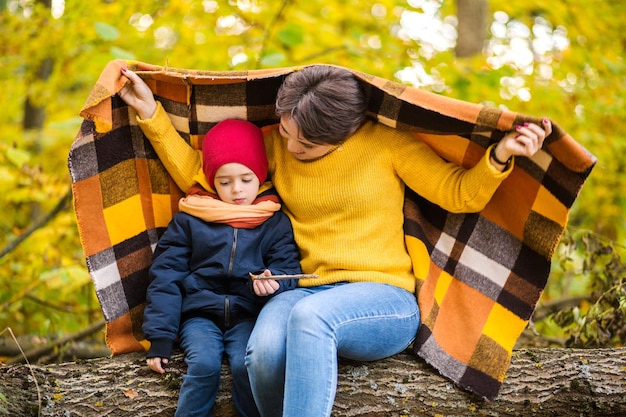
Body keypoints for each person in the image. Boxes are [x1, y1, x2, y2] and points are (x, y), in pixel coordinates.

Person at [120, 64, 551, 417]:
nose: (289, 147)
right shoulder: (279, 144)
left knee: (311, 320)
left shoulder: (386, 145)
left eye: (304, 143)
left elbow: (459, 194)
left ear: (341, 134)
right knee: (262, 356)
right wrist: (151, 114)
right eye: (286, 132)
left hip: (382, 298)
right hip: (302, 290)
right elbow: (203, 174)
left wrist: (501, 155)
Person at [142, 118, 302, 417]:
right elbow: (165, 277)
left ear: (261, 176)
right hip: (199, 315)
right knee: (203, 365)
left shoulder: (274, 221)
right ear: (211, 182)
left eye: (246, 179)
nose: (237, 190)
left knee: (247, 366)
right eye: (224, 182)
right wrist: (160, 339)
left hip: (248, 314)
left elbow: (287, 267)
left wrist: (274, 283)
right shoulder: (190, 219)